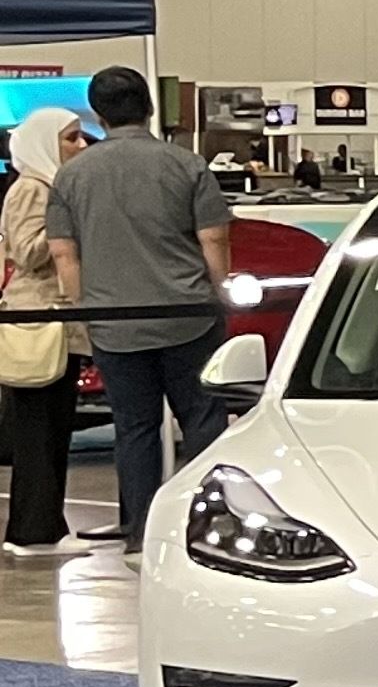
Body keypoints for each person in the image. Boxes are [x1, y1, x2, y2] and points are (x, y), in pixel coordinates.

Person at [44, 66, 237, 558]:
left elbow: (65, 254)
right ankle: (210, 525)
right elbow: (213, 238)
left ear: (98, 114)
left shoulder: (71, 176)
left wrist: (85, 310)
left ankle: (139, 531)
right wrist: (220, 295)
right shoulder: (185, 164)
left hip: (116, 322)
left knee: (134, 428)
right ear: (149, 106)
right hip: (188, 314)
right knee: (202, 419)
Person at [0, 107, 86, 558]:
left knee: (53, 427)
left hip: (56, 324)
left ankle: (46, 525)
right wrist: (69, 228)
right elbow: (29, 251)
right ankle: (31, 530)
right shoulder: (32, 190)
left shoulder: (51, 186)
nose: (80, 145)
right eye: (71, 138)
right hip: (37, 321)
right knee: (37, 429)